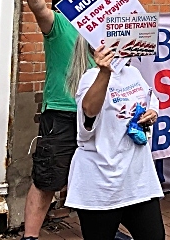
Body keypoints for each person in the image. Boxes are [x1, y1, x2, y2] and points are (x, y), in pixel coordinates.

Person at [64, 38, 164, 239]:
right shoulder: (91, 77)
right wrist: (105, 71)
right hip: (101, 181)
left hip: (137, 179)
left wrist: (152, 111)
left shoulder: (133, 73)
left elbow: (151, 98)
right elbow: (89, 111)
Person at [20, 0, 91, 240]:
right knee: (47, 178)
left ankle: (100, 232)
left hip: (97, 116)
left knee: (94, 179)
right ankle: (30, 237)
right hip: (62, 115)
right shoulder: (60, 25)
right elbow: (39, 8)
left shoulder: (107, 35)